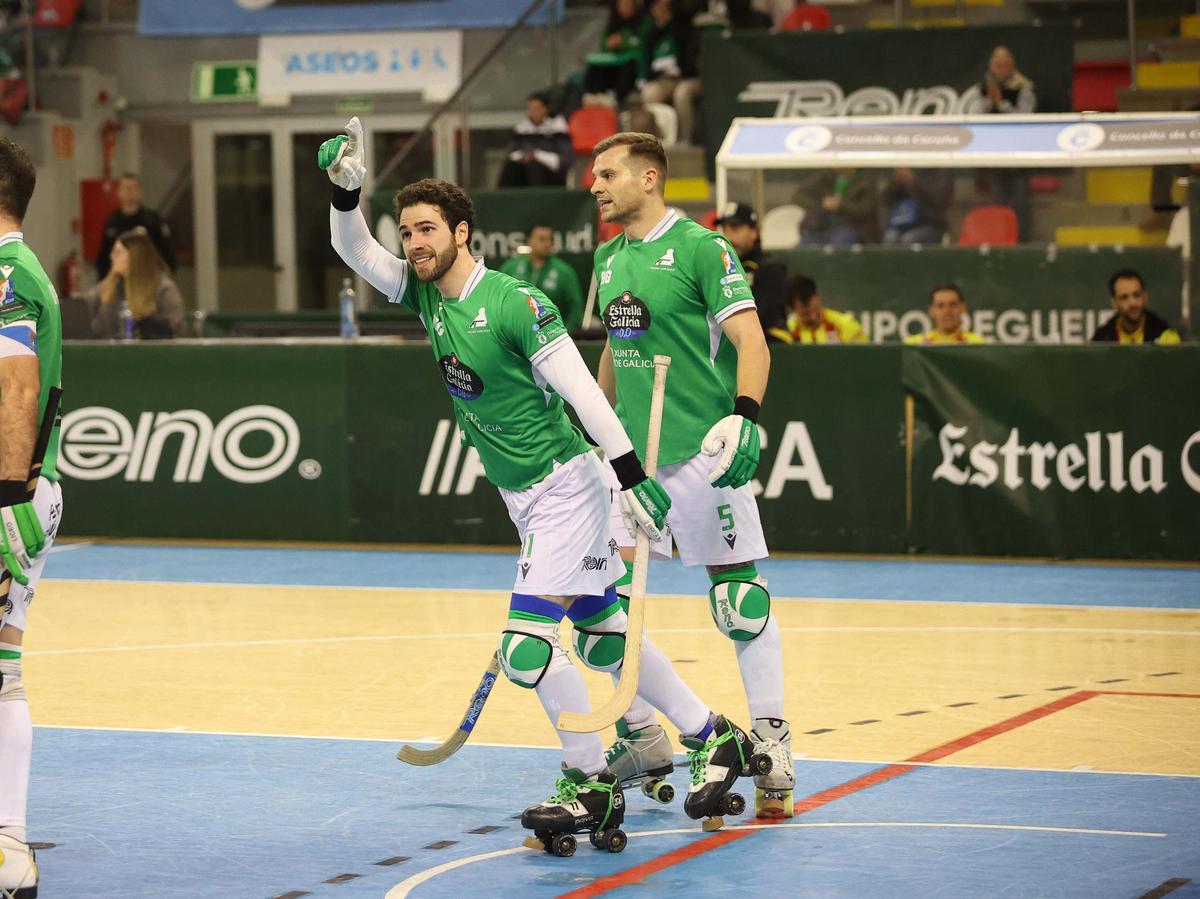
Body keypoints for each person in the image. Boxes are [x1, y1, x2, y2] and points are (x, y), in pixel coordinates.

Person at [319, 117, 754, 838]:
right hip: (521, 496)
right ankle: (714, 734)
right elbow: (352, 246)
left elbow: (586, 393)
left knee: (528, 646)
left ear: (463, 233)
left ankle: (590, 784)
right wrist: (346, 191)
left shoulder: (518, 303)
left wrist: (632, 476)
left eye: (428, 228)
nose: (414, 242)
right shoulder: (425, 295)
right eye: (408, 231)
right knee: (604, 634)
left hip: (568, 486)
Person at [589, 132, 796, 818]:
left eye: (608, 173)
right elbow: (614, 362)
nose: (596, 184)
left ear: (650, 178)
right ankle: (644, 733)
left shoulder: (704, 248)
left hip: (701, 454)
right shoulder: (608, 258)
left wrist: (744, 415)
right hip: (631, 467)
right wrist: (601, 443)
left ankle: (770, 743)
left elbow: (751, 341)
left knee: (740, 602)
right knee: (598, 609)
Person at [0, 136, 65, 899]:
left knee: (3, 670)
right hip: (16, 488)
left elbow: (17, 390)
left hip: (11, 492)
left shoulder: (9, 272)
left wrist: (8, 500)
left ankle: (10, 845)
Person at [970, 47, 1035, 241]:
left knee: (1020, 203)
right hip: (992, 156)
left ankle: (1022, 241)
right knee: (995, 202)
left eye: (1005, 65)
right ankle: (998, 240)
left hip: (1017, 156)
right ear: (991, 66)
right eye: (997, 65)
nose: (1001, 69)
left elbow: (1026, 117)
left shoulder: (1023, 87)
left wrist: (1001, 105)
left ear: (1012, 66)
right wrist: (991, 102)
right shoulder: (983, 89)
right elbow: (974, 116)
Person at [85, 227, 186, 339]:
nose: (112, 257)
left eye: (118, 252)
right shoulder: (107, 287)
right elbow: (83, 315)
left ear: (135, 257)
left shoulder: (164, 288)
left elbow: (176, 328)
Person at [714, 201, 789, 343]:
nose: (728, 236)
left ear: (754, 232)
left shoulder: (770, 269)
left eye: (735, 228)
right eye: (724, 228)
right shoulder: (719, 267)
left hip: (767, 348)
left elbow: (764, 317)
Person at [499, 224, 585, 333]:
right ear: (529, 241)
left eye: (550, 239)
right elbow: (496, 301)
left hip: (552, 336)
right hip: (514, 335)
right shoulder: (510, 268)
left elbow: (576, 311)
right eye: (541, 239)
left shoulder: (564, 272)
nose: (547, 243)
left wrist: (562, 335)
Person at [638, 0, 701, 146]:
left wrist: (679, 68)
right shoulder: (651, 30)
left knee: (682, 93)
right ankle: (653, 142)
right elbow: (645, 56)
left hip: (687, 77)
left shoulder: (683, 27)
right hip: (664, 79)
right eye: (657, 6)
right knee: (649, 94)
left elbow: (691, 59)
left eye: (665, 6)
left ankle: (686, 140)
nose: (661, 10)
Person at [95, 173, 176, 279]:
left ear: (140, 192)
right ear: (119, 192)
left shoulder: (152, 221)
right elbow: (104, 256)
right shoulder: (112, 222)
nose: (129, 193)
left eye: (133, 188)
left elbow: (167, 253)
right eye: (126, 188)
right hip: (119, 280)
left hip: (147, 279)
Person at [497, 92, 573, 189]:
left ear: (545, 109)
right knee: (511, 168)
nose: (533, 112)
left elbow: (565, 160)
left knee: (535, 167)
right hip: (523, 174)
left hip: (550, 176)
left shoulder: (558, 129)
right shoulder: (521, 130)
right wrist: (524, 155)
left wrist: (537, 155)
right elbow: (509, 155)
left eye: (536, 108)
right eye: (530, 109)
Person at [1091, 269, 1182, 345]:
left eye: (1137, 295)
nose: (1133, 303)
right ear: (1114, 303)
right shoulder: (1101, 339)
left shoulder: (1165, 336)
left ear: (1145, 297)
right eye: (1124, 297)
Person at [583, 0, 647, 107]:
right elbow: (604, 46)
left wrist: (624, 42)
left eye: (629, 5)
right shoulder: (613, 23)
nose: (625, 8)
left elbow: (642, 48)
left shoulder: (644, 23)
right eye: (622, 5)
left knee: (629, 66)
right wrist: (610, 45)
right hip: (614, 64)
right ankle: (593, 95)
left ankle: (615, 98)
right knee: (596, 66)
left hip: (633, 67)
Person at [797, 169, 880, 246]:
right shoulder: (825, 177)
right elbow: (799, 196)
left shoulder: (865, 181)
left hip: (851, 227)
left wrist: (841, 205)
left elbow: (865, 209)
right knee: (806, 243)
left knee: (840, 241)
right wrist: (821, 203)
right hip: (822, 226)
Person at [783, 275, 865, 344]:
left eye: (814, 309)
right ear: (792, 308)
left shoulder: (845, 325)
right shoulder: (787, 331)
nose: (812, 317)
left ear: (817, 296)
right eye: (805, 313)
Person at [882, 168, 953, 246]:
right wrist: (895, 183)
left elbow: (937, 202)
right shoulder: (907, 167)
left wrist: (913, 182)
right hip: (902, 223)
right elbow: (886, 200)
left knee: (909, 239)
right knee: (890, 237)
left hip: (931, 225)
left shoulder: (939, 173)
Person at [905, 283, 986, 344]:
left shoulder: (977, 344)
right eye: (940, 306)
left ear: (963, 308)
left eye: (953, 304)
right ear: (931, 311)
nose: (947, 311)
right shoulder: (915, 345)